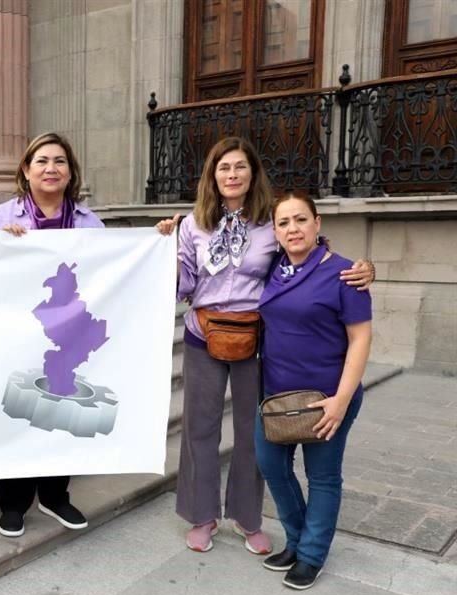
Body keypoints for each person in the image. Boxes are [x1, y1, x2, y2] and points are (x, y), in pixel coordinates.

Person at [154, 136, 375, 555]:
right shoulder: (191, 225)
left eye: (240, 167)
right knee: (199, 430)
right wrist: (162, 248)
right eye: (223, 168)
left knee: (252, 435)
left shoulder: (269, 222)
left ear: (252, 173)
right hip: (204, 333)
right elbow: (182, 280)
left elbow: (306, 257)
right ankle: (202, 515)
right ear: (212, 175)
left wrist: (364, 268)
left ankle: (247, 517)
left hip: (256, 338)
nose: (232, 174)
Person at [0, 132, 100, 538]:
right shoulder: (0, 219)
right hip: (16, 335)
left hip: (67, 338)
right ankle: (12, 502)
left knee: (64, 413)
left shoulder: (88, 222)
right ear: (26, 171)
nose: (51, 168)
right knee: (18, 411)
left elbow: (108, 271)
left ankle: (54, 494)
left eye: (60, 161)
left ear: (70, 172)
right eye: (42, 161)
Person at [255, 193, 372, 590]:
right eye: (284, 222)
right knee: (271, 465)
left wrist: (341, 400)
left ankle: (311, 555)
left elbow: (360, 339)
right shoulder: (273, 268)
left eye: (300, 219)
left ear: (317, 223)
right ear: (275, 231)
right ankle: (297, 540)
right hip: (276, 398)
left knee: (322, 477)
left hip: (327, 397)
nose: (293, 229)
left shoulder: (344, 274)